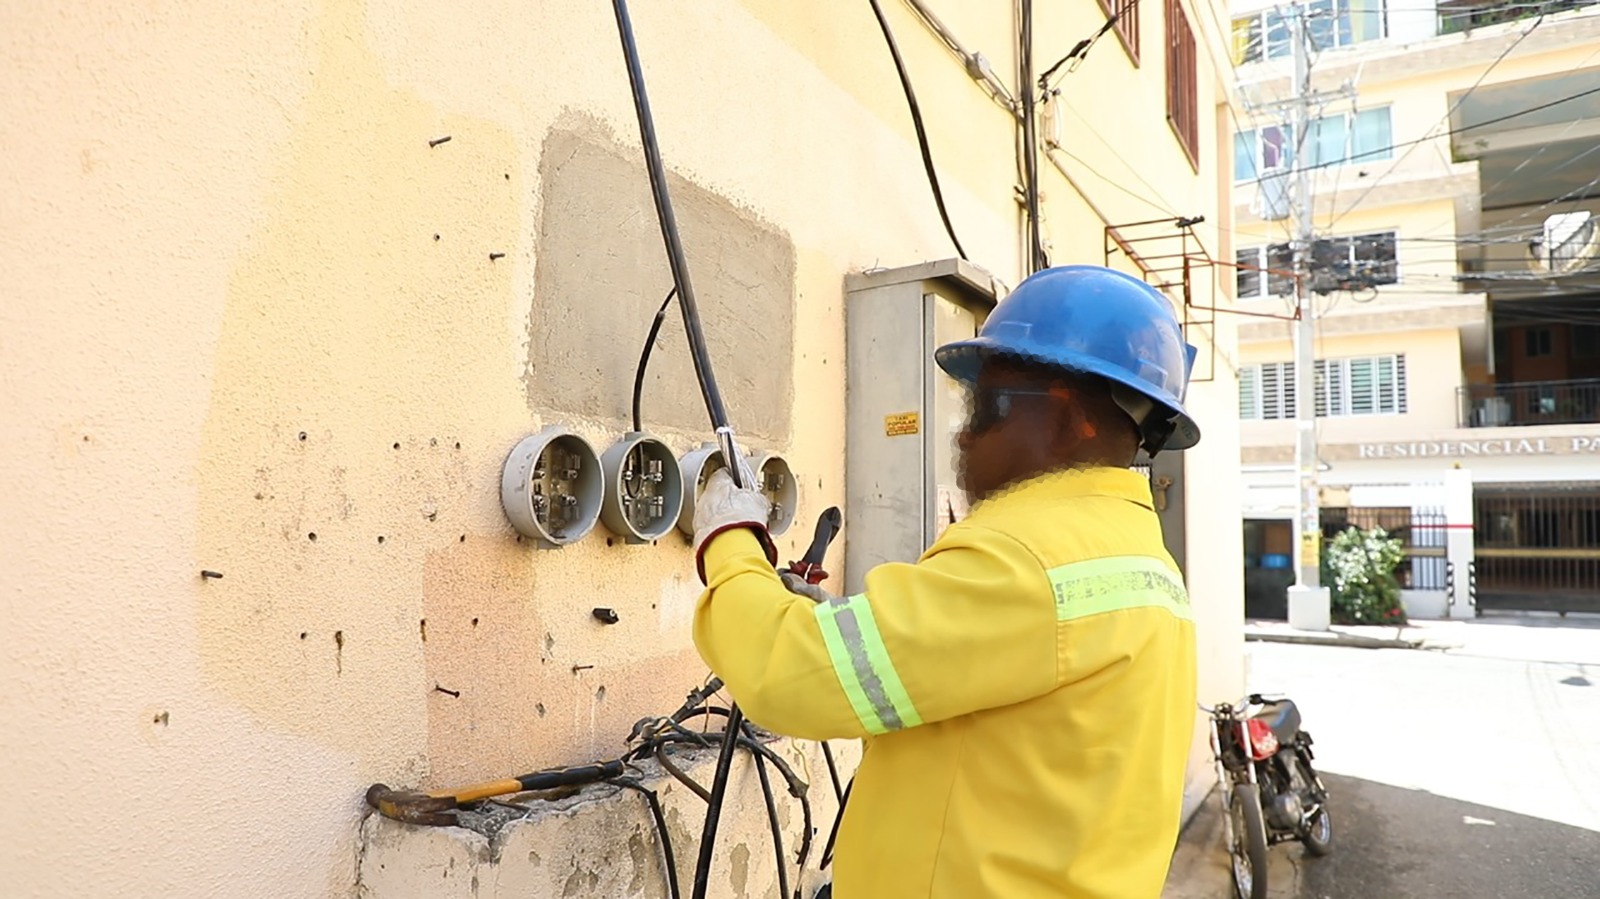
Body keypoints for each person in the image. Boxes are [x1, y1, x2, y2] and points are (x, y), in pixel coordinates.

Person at [690, 265, 1202, 898]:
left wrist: (728, 539)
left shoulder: (1026, 558)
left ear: (1072, 420)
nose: (963, 432)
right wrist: (852, 628)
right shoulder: (1137, 556)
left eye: (987, 407)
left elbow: (789, 674)